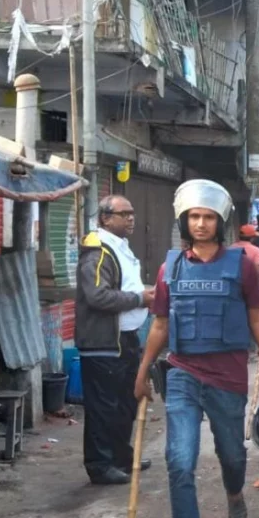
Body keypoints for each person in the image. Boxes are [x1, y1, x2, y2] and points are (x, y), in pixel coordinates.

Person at [134, 180, 259, 518]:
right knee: (179, 460)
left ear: (221, 222)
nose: (201, 223)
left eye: (208, 217)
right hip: (183, 373)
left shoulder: (242, 267)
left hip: (228, 377)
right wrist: (142, 370)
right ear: (185, 221)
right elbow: (160, 324)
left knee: (232, 456)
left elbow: (257, 318)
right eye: (194, 217)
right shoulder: (171, 267)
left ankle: (234, 493)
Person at [75, 195, 155, 485]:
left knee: (126, 402)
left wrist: (146, 294)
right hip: (104, 342)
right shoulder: (98, 250)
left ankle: (121, 455)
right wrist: (139, 298)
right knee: (103, 407)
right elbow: (97, 296)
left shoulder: (119, 248)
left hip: (125, 339)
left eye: (132, 213)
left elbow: (125, 286)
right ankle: (100, 464)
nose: (131, 218)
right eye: (124, 214)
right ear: (105, 218)